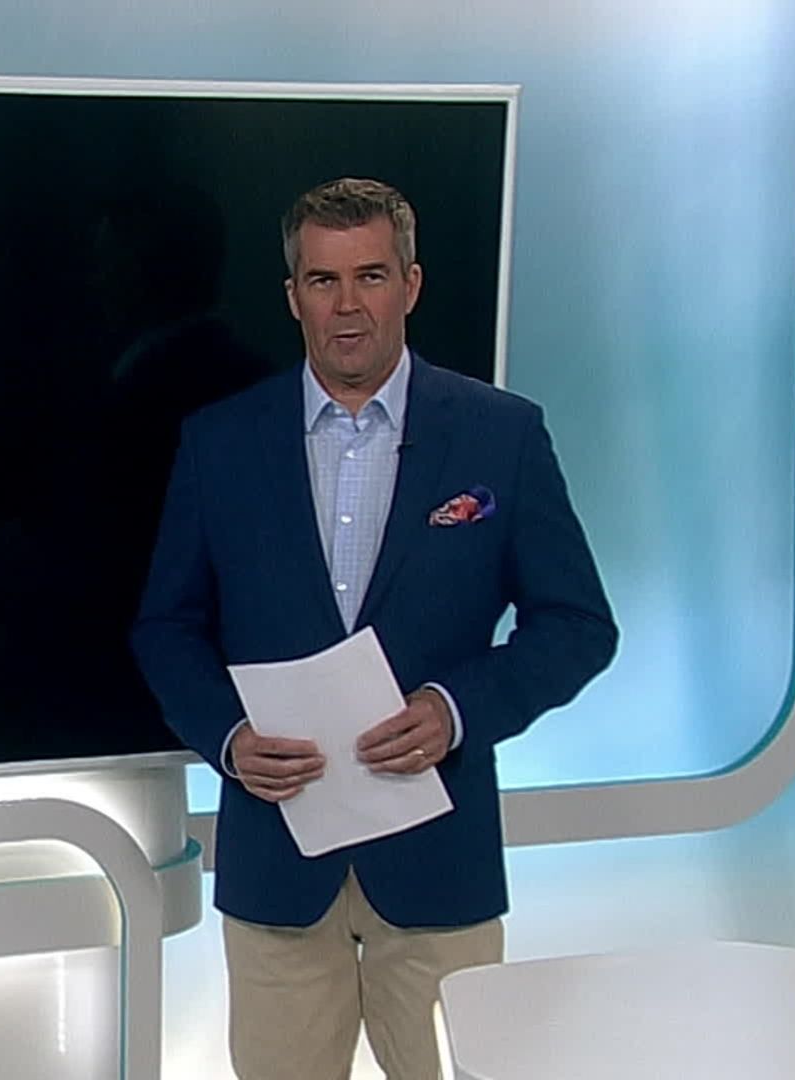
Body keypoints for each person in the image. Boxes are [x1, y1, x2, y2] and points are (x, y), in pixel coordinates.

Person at [130, 177, 617, 1079]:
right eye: (324, 280)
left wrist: (456, 709)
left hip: (439, 870)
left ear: (411, 285)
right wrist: (229, 739)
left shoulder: (501, 435)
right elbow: (166, 627)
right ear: (293, 296)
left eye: (371, 276)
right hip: (279, 868)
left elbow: (579, 624)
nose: (348, 306)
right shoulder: (221, 442)